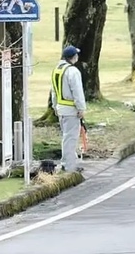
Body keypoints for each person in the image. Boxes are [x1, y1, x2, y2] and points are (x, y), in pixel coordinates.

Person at [51, 45, 86, 173]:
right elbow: (77, 91)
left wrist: (55, 106)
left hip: (61, 109)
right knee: (71, 138)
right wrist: (81, 108)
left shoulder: (57, 70)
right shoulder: (72, 71)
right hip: (71, 110)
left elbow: (53, 91)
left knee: (66, 137)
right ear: (74, 57)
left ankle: (68, 162)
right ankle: (69, 166)